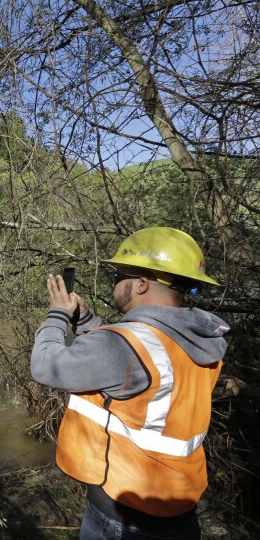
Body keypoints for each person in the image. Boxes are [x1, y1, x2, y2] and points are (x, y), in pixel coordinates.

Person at [31, 227, 228, 540]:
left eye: (117, 276)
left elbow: (45, 366)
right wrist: (84, 320)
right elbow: (135, 354)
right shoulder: (198, 339)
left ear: (141, 284)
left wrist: (57, 315)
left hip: (124, 518)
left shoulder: (124, 347)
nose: (114, 284)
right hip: (180, 508)